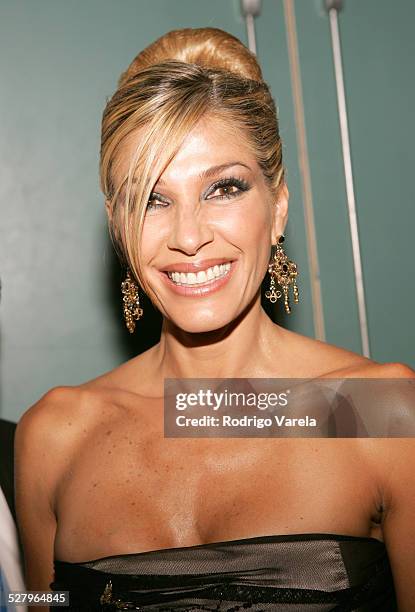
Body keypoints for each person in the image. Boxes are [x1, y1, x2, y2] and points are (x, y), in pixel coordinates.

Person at [14, 27, 415, 611]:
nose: (189, 236)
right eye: (152, 198)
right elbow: (34, 602)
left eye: (223, 188)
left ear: (277, 206)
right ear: (118, 228)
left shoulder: (379, 412)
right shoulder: (55, 435)